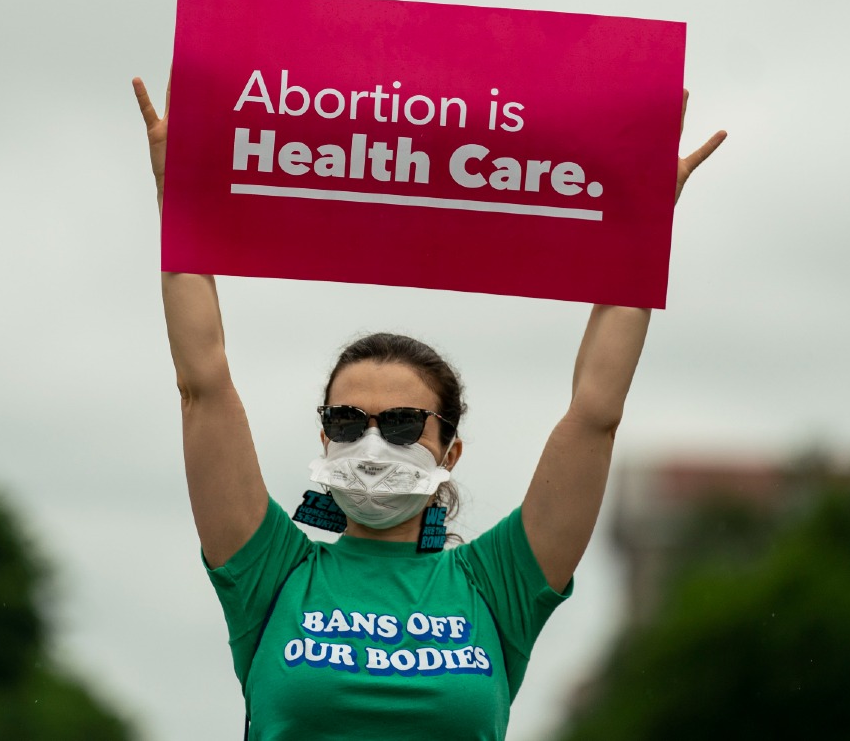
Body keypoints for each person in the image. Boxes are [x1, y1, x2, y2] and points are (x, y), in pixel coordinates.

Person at [132, 74, 724, 740]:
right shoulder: (271, 572)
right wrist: (176, 194)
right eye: (347, 420)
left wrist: (643, 223)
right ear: (323, 435)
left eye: (403, 422)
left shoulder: (498, 583)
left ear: (451, 449)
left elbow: (596, 412)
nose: (372, 440)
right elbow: (202, 383)